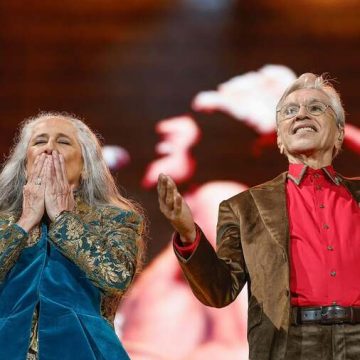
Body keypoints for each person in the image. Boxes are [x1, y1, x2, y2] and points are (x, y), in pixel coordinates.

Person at [158, 73, 360, 359]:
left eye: (315, 108)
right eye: (290, 111)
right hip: (290, 344)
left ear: (339, 131)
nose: (301, 114)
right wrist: (189, 234)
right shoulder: (245, 207)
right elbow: (220, 291)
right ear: (278, 138)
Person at [0, 112, 145, 360]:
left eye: (63, 142)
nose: (49, 149)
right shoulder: (4, 220)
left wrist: (64, 219)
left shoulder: (117, 218)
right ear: (25, 165)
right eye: (39, 141)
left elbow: (117, 277)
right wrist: (24, 223)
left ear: (86, 167)